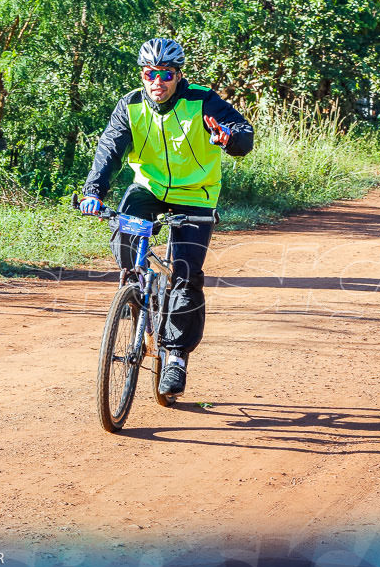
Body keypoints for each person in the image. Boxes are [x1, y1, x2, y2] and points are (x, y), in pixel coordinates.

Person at [80, 38, 254, 396]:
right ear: (142, 75)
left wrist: (229, 139)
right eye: (150, 74)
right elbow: (109, 149)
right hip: (149, 189)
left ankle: (175, 356)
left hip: (196, 195)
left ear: (178, 75)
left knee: (186, 276)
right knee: (125, 243)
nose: (157, 81)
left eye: (166, 74)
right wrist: (93, 191)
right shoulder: (129, 105)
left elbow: (243, 133)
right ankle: (138, 294)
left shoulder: (202, 101)